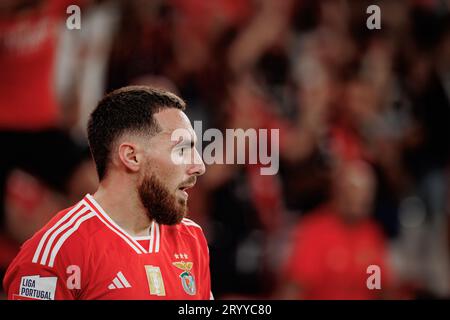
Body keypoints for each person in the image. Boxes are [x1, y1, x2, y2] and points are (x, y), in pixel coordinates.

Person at [3, 86, 211, 300]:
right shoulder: (56, 253)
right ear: (132, 157)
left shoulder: (191, 238)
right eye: (182, 150)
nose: (199, 165)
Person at [279, 160, 393, 299]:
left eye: (367, 192)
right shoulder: (315, 231)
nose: (362, 198)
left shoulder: (372, 233)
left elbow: (382, 289)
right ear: (337, 191)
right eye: (354, 190)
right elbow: (295, 288)